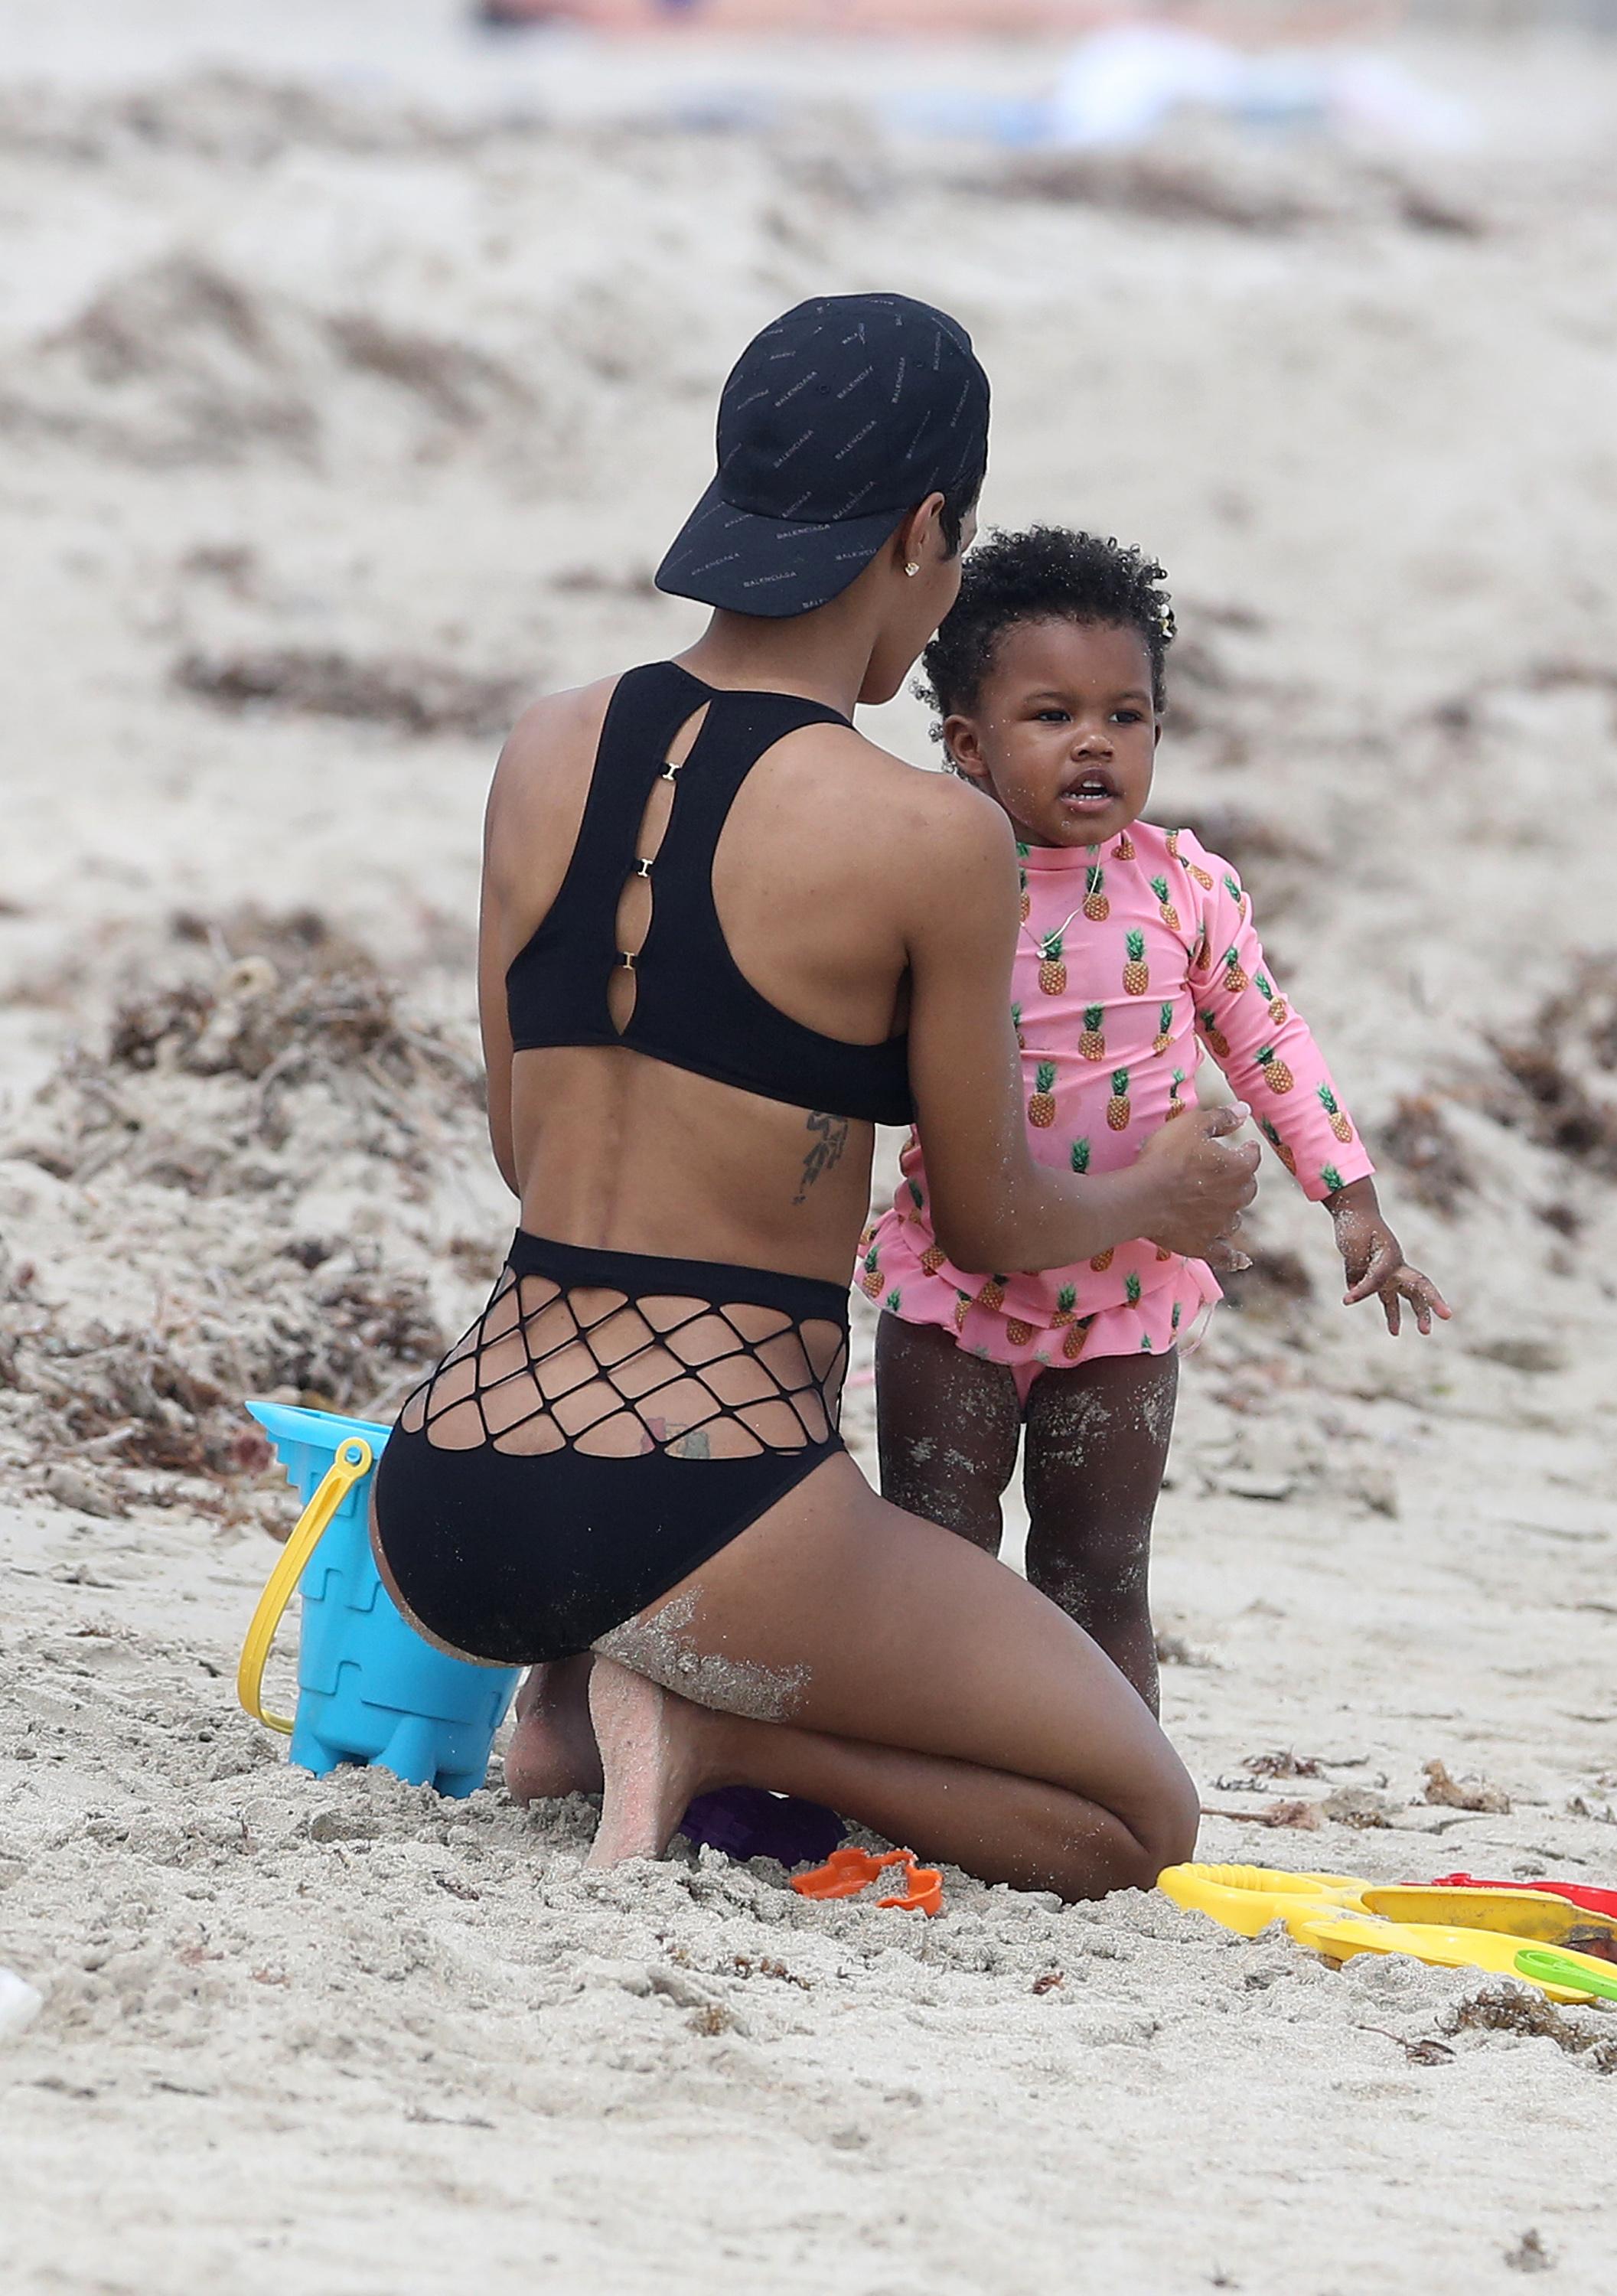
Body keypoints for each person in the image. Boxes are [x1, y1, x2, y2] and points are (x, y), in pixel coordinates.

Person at [370, 295, 1260, 1902]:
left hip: (446, 1486)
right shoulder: (927, 834)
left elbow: (526, 1144)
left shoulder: (544, 743)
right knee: (1135, 1821)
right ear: (926, 530)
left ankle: (574, 1715)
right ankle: (704, 1733)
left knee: (646, 1585)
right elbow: (994, 1232)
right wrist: (1165, 1198)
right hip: (706, 1498)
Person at [869, 528, 1450, 1714]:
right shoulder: (934, 873)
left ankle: (1104, 1780)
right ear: (966, 745)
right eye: (1049, 716)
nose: (1093, 741)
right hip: (952, 1291)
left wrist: (1349, 1196)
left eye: (1123, 716)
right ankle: (916, 1775)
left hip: (1126, 1302)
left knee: (1098, 1569)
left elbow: (1270, 1041)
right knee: (930, 1553)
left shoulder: (1187, 888)